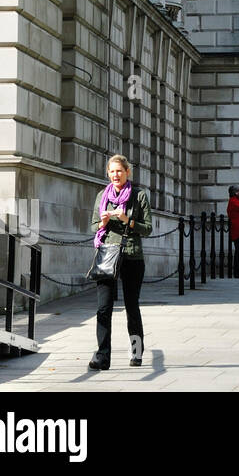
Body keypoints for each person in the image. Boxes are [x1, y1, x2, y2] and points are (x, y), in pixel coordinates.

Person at [90, 155, 152, 369]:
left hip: (132, 256)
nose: (116, 175)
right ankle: (102, 356)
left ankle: (136, 353)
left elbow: (148, 229)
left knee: (131, 307)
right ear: (108, 173)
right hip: (107, 254)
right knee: (103, 308)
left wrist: (128, 220)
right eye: (112, 171)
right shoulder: (102, 195)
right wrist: (103, 223)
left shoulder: (139, 196)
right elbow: (93, 226)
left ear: (127, 173)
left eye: (120, 171)